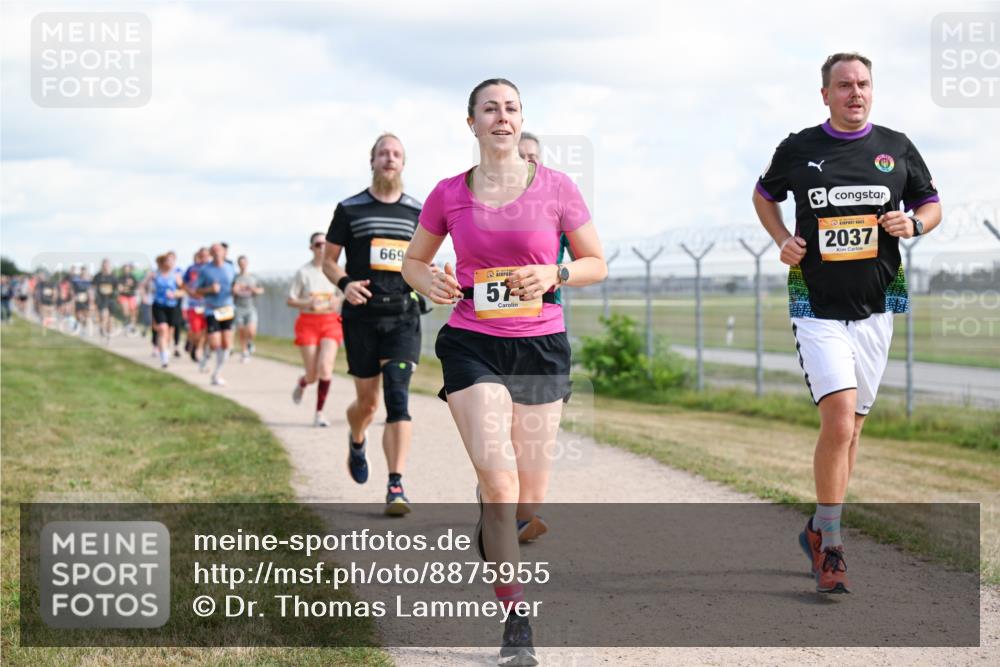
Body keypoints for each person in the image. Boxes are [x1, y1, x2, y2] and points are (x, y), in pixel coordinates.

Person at [402, 78, 607, 666]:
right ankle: (516, 618)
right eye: (490, 108)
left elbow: (595, 261)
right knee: (500, 483)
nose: (502, 116)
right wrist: (431, 281)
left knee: (529, 499)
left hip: (540, 347)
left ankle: (499, 521)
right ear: (472, 124)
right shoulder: (448, 192)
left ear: (522, 120)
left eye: (512, 108)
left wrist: (554, 276)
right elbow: (415, 262)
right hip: (472, 342)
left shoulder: (557, 187)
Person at [752, 52, 941, 595]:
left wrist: (915, 223)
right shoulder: (799, 148)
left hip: (879, 302)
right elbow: (764, 197)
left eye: (862, 84)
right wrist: (781, 239)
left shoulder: (897, 147)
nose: (855, 92)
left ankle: (816, 528)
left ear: (872, 91)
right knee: (838, 421)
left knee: (853, 427)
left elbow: (931, 203)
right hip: (816, 302)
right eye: (844, 85)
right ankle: (833, 545)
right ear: (826, 94)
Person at [322, 133, 424, 516]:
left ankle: (395, 484)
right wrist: (345, 284)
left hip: (403, 316)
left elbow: (425, 259)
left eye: (396, 153)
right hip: (362, 318)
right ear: (372, 160)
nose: (389, 158)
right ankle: (357, 436)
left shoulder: (418, 211)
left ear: (403, 163)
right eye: (383, 153)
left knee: (398, 398)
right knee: (368, 403)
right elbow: (329, 262)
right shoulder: (349, 209)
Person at [288, 233, 344, 427]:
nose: (322, 247)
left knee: (325, 367)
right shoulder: (303, 272)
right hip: (308, 322)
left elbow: (343, 292)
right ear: (311, 247)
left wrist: (338, 299)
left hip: (330, 322)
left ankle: (319, 413)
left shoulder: (337, 270)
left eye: (325, 243)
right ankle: (303, 382)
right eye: (318, 244)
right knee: (312, 374)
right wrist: (308, 302)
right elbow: (290, 299)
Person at [195, 243, 237, 386]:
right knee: (215, 343)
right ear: (211, 254)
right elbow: (197, 291)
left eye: (220, 250)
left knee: (226, 344)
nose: (218, 253)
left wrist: (235, 290)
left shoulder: (230, 268)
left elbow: (234, 284)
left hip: (227, 307)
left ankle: (217, 373)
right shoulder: (205, 270)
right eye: (214, 251)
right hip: (212, 308)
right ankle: (206, 355)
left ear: (224, 252)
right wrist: (210, 289)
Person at [151, 254, 184, 368]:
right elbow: (143, 286)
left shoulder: (176, 275)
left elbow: (183, 291)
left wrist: (175, 294)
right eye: (168, 261)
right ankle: (164, 358)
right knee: (162, 329)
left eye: (172, 261)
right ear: (162, 263)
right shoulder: (155, 274)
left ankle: (166, 349)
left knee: (169, 331)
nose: (170, 263)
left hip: (172, 306)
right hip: (158, 305)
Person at [233, 254, 264, 362]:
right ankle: (244, 352)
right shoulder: (235, 278)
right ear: (238, 265)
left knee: (251, 331)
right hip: (238, 307)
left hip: (250, 307)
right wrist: (235, 290)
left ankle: (250, 342)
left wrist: (253, 289)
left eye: (244, 263)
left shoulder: (253, 277)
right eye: (240, 263)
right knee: (241, 330)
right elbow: (231, 292)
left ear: (247, 263)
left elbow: (261, 290)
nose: (243, 265)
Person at [183, 248, 209, 366]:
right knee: (196, 331)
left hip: (209, 306)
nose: (204, 258)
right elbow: (184, 284)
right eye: (202, 256)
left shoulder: (212, 269)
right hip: (194, 305)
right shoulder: (192, 269)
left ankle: (201, 352)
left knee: (207, 332)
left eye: (206, 256)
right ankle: (194, 345)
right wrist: (190, 292)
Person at [92, 258, 118, 341]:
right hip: (101, 299)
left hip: (111, 299)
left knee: (110, 319)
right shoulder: (98, 276)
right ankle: (102, 329)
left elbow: (117, 287)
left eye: (107, 265)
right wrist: (92, 297)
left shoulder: (113, 277)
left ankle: (108, 335)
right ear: (102, 266)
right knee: (104, 316)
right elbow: (93, 287)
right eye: (104, 265)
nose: (106, 267)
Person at [117, 263, 140, 334]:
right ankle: (126, 321)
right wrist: (121, 288)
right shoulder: (120, 278)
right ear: (123, 270)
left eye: (128, 269)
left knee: (133, 311)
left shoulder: (133, 277)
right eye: (125, 269)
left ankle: (132, 325)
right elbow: (119, 287)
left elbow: (136, 286)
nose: (126, 270)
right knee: (125, 309)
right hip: (123, 296)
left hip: (131, 296)